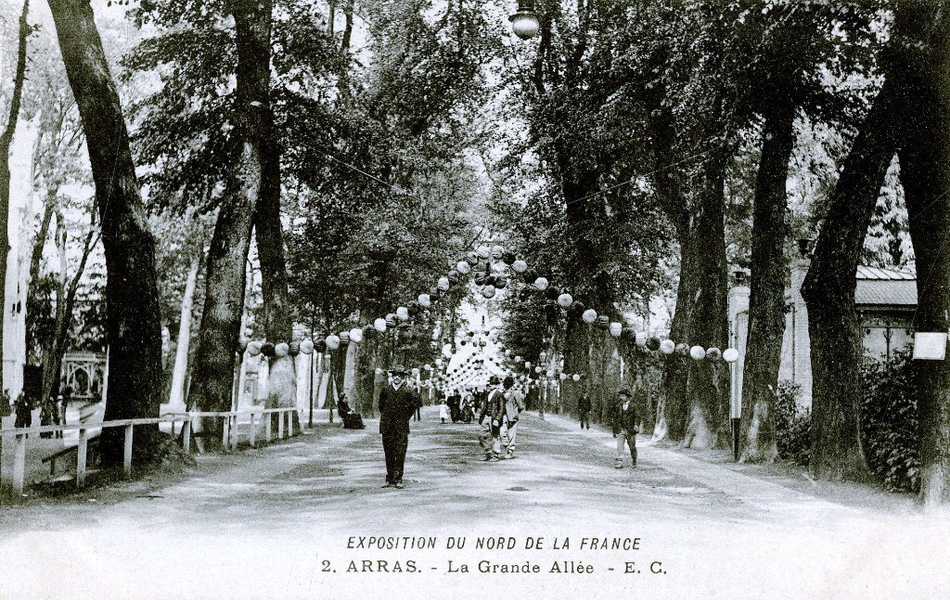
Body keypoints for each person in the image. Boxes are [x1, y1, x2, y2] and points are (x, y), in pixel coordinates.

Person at [378, 365, 421, 489]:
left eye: (400, 376)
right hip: (387, 426)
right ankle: (389, 477)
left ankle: (398, 478)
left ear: (403, 377)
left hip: (401, 427)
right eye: (395, 375)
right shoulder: (385, 390)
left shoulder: (407, 391)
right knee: (388, 452)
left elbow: (416, 404)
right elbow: (381, 406)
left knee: (400, 452)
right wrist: (388, 417)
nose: (397, 377)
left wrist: (404, 417)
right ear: (392, 377)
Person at [477, 376, 505, 462]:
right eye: (491, 383)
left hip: (494, 417)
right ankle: (488, 453)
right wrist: (481, 416)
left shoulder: (499, 394)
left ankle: (495, 455)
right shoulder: (488, 393)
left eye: (493, 383)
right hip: (486, 416)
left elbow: (501, 408)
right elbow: (484, 406)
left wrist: (497, 419)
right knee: (482, 435)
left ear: (497, 385)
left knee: (495, 436)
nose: (491, 385)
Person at [611, 388, 639, 469]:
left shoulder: (634, 406)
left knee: (632, 447)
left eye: (623, 396)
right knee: (620, 446)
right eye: (620, 396)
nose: (621, 397)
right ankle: (620, 462)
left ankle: (634, 460)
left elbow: (637, 416)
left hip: (631, 430)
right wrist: (614, 430)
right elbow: (615, 418)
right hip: (621, 429)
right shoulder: (618, 406)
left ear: (627, 397)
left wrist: (636, 425)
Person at [500, 376, 525, 459]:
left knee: (512, 435)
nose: (505, 385)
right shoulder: (502, 393)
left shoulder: (515, 393)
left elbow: (521, 406)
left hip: (513, 417)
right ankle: (507, 445)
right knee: (502, 433)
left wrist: (515, 412)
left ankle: (510, 451)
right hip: (503, 416)